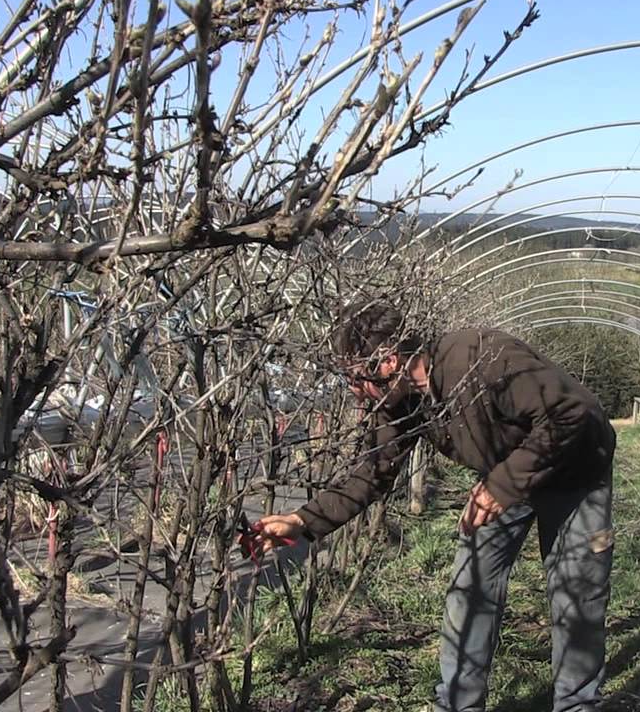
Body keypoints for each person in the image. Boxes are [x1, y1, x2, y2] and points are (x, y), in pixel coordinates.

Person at [255, 302, 617, 712]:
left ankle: (576, 705)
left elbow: (573, 415)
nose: (353, 390)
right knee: (469, 589)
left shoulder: (483, 357)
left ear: (387, 360)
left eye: (354, 378)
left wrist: (500, 485)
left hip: (576, 470)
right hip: (508, 477)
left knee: (576, 594)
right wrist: (302, 521)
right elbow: (372, 474)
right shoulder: (400, 402)